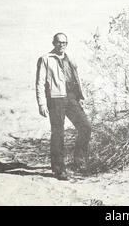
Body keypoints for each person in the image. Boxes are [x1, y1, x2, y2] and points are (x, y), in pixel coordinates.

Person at [36, 33, 91, 180]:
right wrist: (41, 103)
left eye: (65, 42)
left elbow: (75, 78)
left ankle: (79, 162)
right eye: (59, 42)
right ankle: (58, 169)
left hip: (71, 98)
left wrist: (80, 96)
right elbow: (40, 83)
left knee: (85, 127)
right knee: (58, 133)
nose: (62, 45)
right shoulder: (45, 59)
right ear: (54, 43)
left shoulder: (69, 58)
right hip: (55, 100)